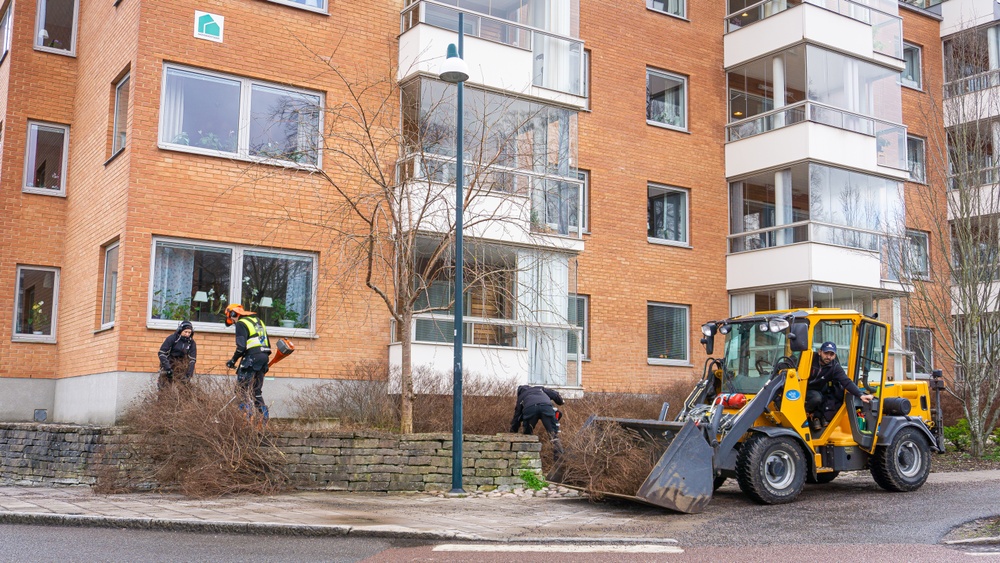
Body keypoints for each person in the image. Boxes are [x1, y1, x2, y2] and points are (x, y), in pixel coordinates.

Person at [805, 341, 874, 433]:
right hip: (798, 387)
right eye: (826, 353)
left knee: (818, 398)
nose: (828, 357)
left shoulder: (834, 367)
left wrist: (861, 395)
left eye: (831, 354)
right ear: (820, 352)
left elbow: (846, 381)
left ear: (834, 355)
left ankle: (809, 416)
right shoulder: (809, 358)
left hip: (814, 391)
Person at [224, 304, 272, 419]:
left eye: (232, 318)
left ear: (234, 314)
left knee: (241, 390)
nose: (233, 321)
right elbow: (267, 342)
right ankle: (263, 419)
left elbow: (241, 347)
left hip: (252, 358)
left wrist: (233, 361)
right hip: (264, 356)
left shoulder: (241, 324)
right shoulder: (257, 321)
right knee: (257, 391)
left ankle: (245, 418)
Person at [510, 385, 565, 459]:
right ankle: (559, 458)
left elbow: (517, 416)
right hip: (546, 407)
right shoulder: (540, 389)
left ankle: (527, 457)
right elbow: (554, 394)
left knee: (527, 435)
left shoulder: (522, 396)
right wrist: (561, 401)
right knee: (553, 434)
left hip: (530, 409)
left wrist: (513, 431)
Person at [157, 320, 196, 389]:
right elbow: (162, 353)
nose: (187, 334)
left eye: (189, 332)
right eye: (185, 332)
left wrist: (189, 374)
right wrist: (167, 368)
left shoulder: (191, 343)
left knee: (183, 390)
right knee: (164, 388)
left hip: (182, 368)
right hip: (169, 364)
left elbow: (192, 359)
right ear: (180, 330)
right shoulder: (172, 338)